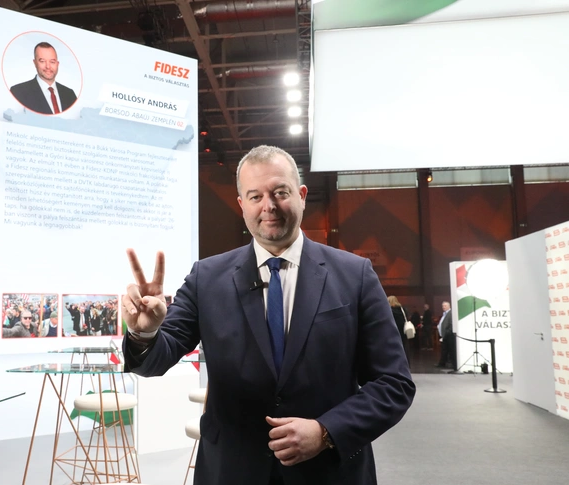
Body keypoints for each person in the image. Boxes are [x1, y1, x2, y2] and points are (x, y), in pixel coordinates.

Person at [121, 145, 414, 485]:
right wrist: (144, 333)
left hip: (329, 472)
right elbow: (155, 360)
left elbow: (394, 383)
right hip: (232, 471)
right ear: (241, 204)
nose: (269, 206)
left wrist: (326, 431)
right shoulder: (207, 278)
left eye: (280, 193)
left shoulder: (355, 275)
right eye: (255, 196)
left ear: (302, 195)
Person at [9, 42, 77, 114]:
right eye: (42, 61)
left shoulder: (70, 94)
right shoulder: (18, 92)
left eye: (52, 62)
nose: (48, 66)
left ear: (57, 64)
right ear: (35, 63)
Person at [388, 295, 410, 364]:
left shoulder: (389, 310)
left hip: (393, 332)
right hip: (403, 332)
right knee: (404, 349)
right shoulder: (402, 309)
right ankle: (405, 363)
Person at [436, 301, 455, 369]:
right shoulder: (444, 314)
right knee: (444, 350)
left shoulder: (450, 313)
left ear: (449, 306)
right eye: (443, 306)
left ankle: (452, 364)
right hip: (444, 335)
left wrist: (447, 332)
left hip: (449, 335)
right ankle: (442, 363)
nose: (443, 307)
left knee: (450, 350)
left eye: (445, 306)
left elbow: (451, 324)